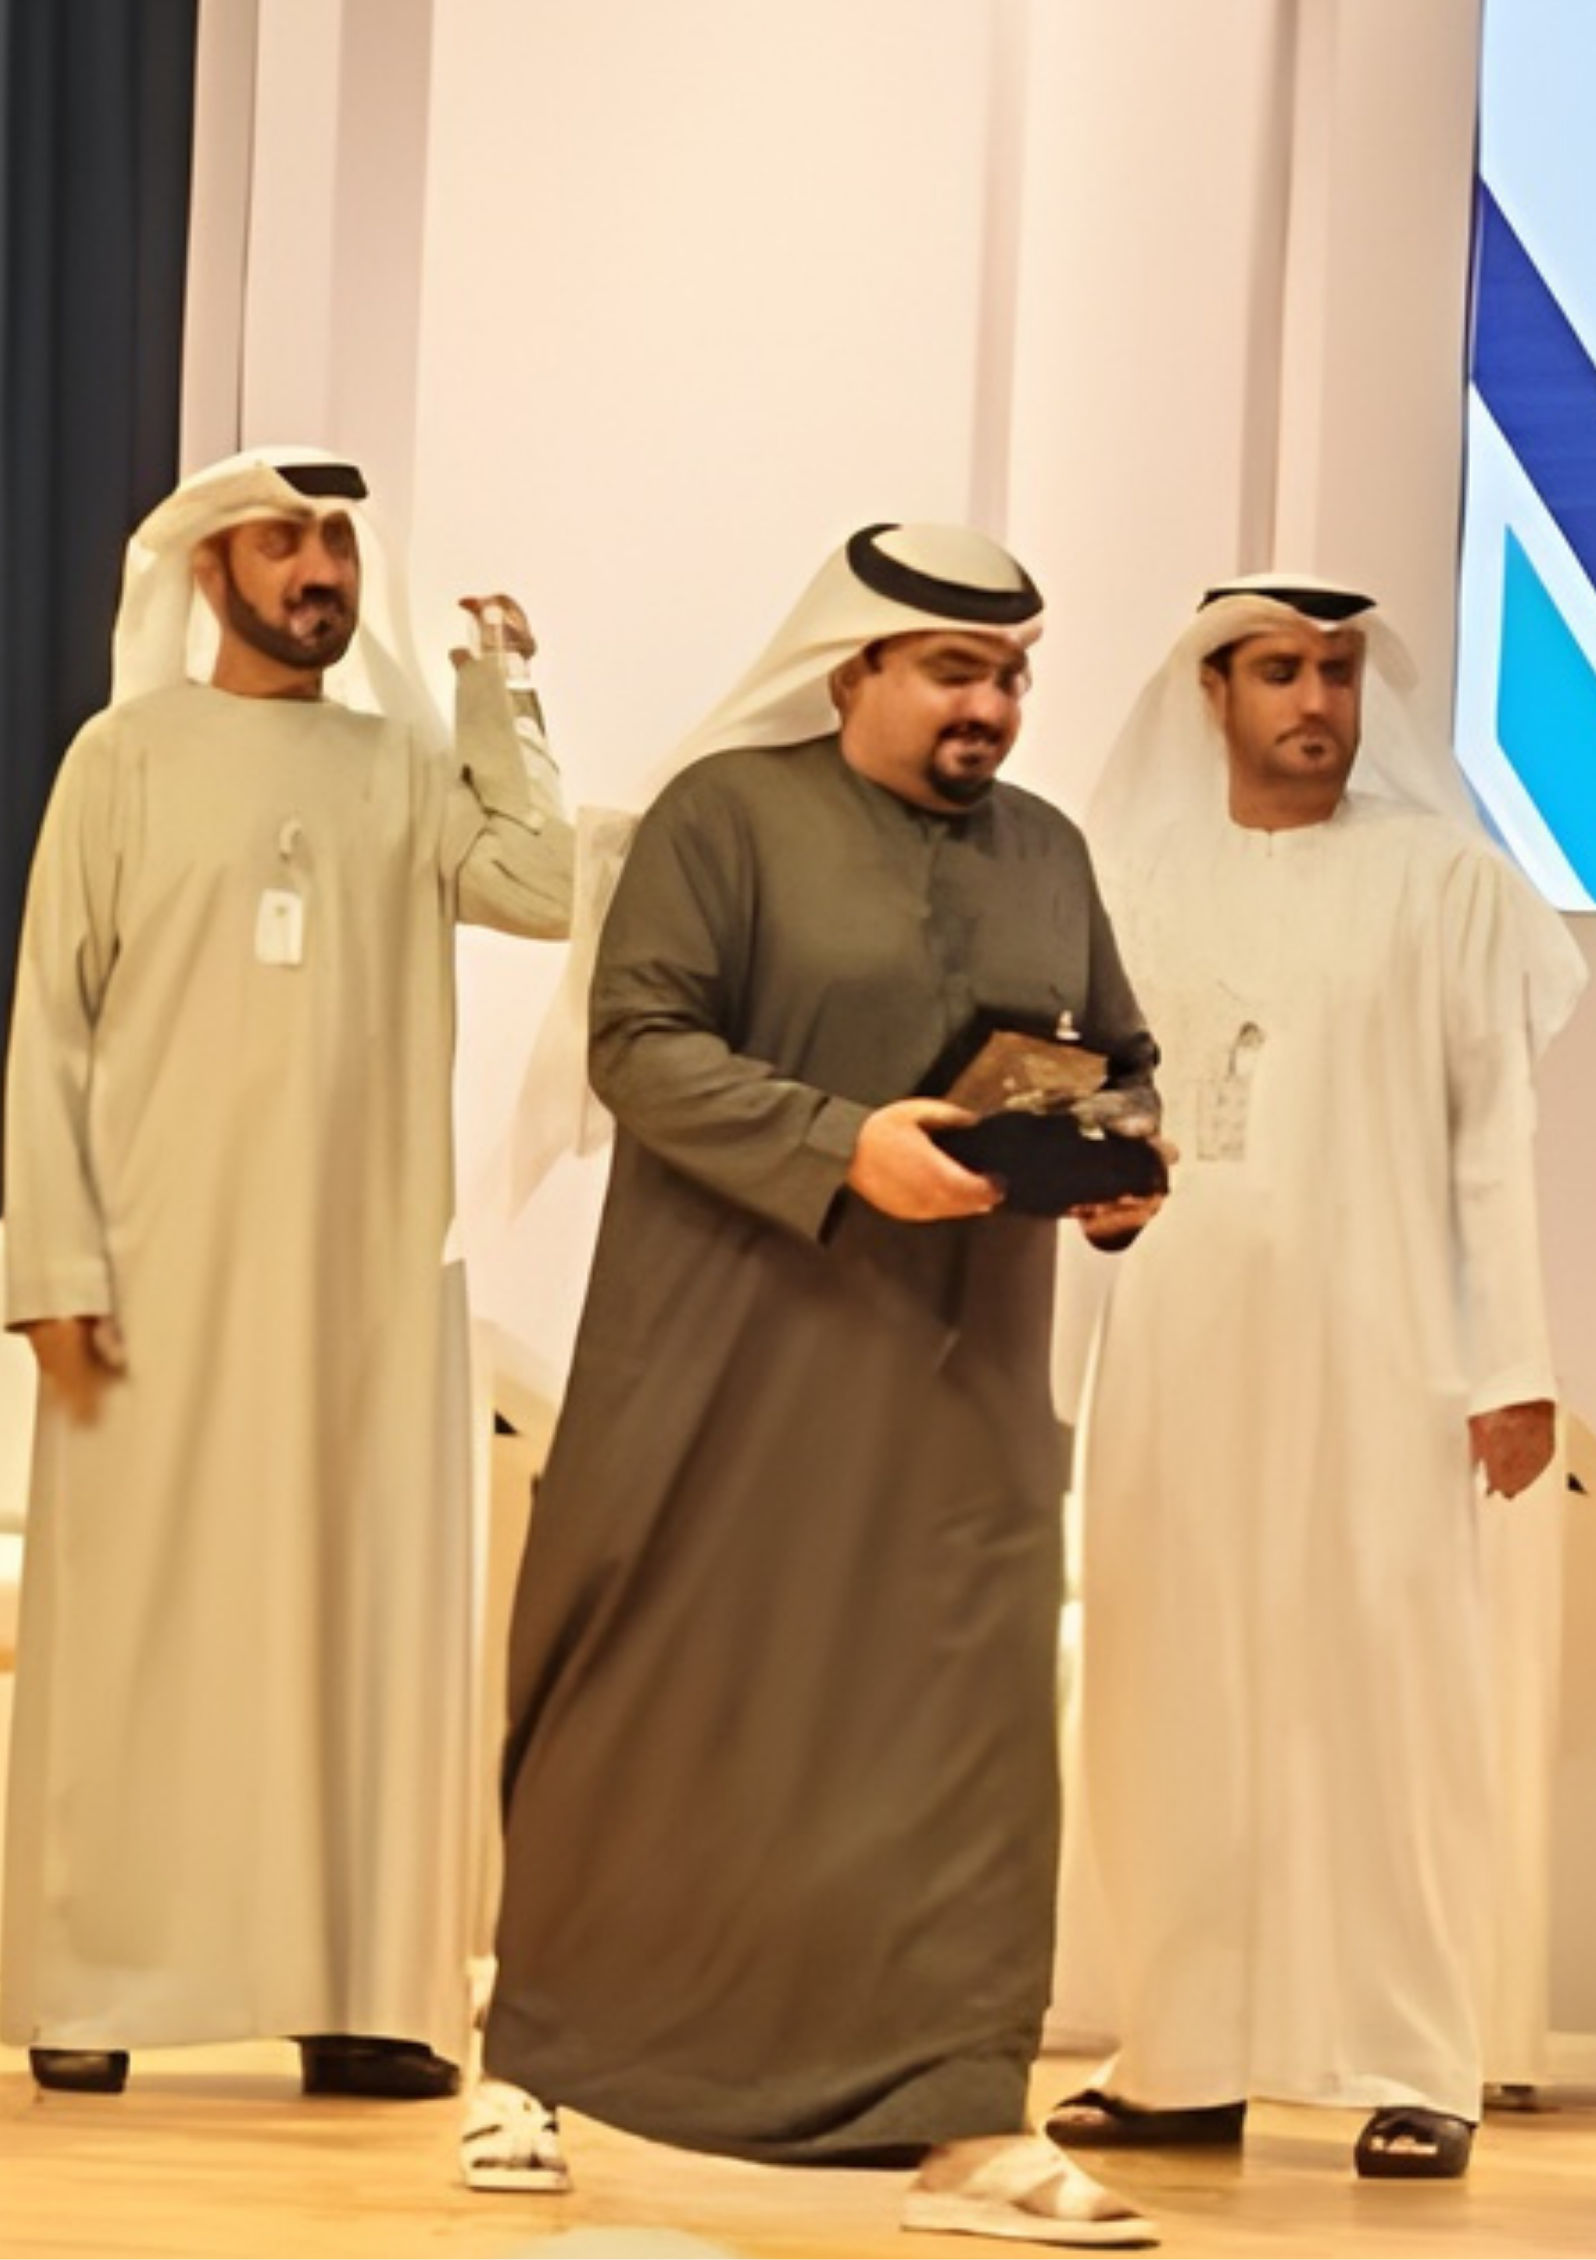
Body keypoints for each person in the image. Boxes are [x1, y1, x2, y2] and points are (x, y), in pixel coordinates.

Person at [487, 523, 1169, 2250]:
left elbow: (1119, 1056)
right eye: (952, 671)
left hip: (960, 1384)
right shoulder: (723, 820)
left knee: (967, 1742)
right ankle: (542, 2061)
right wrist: (839, 1144)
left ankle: (966, 2127)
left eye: (1010, 675)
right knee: (649, 1695)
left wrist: (1119, 1168)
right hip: (724, 1354)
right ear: (853, 668)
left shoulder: (1048, 851)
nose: (988, 705)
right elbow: (640, 1044)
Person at [0, 445, 579, 2099]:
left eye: (336, 541)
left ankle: (364, 1991)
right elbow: (51, 1019)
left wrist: (498, 694)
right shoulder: (121, 759)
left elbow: (546, 889)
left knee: (357, 1629)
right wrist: (55, 1261)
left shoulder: (405, 766)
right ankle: (96, 1982)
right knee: (135, 1630)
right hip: (149, 1287)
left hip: (364, 1289)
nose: (320, 567)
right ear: (210, 569)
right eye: (283, 541)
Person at [1051, 578, 1581, 2184]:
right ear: (1212, 692)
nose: (1316, 703)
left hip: (1387, 1346)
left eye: (1339, 673)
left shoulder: (1445, 883)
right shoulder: (1129, 880)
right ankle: (1182, 2055)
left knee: (1390, 1695)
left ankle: (1416, 2062)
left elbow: (1492, 1141)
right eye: (1280, 671)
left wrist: (1512, 1363)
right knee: (1167, 1680)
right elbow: (1093, 1105)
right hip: (1181, 1338)